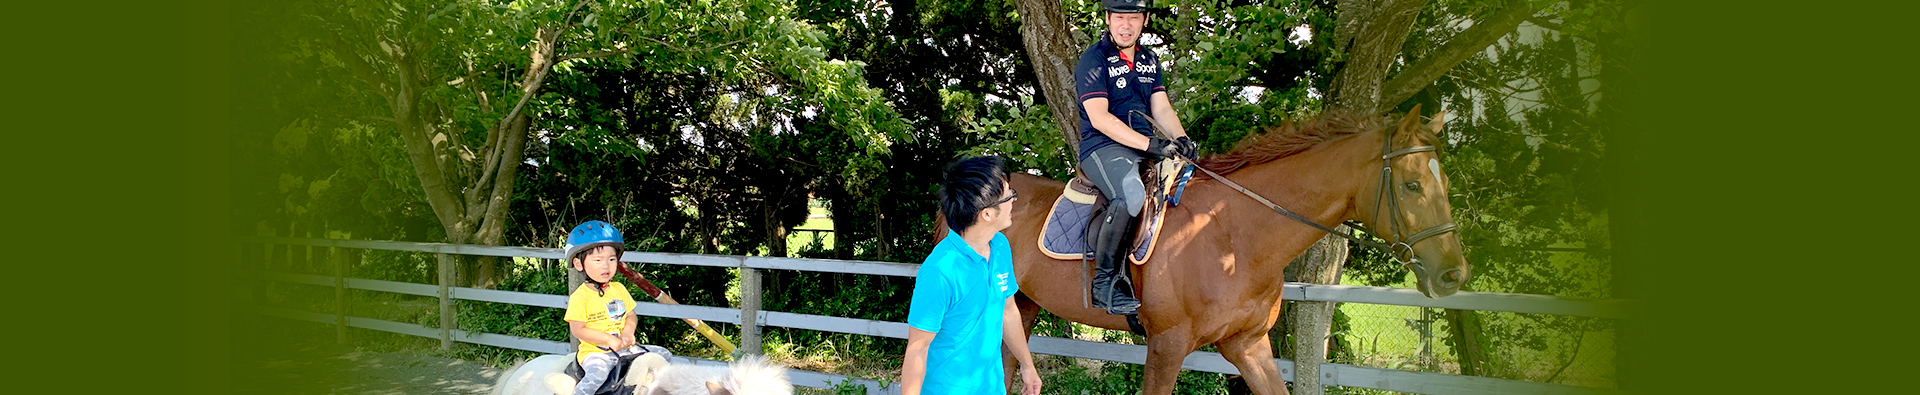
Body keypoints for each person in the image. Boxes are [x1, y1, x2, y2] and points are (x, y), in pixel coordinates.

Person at [1074, 0, 1196, 315]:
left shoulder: (1149, 60)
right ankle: (1105, 284)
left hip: (1142, 145)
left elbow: (1162, 108)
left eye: (1133, 18)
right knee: (1130, 194)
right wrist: (1149, 145)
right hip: (1102, 147)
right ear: (1107, 19)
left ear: (1144, 20)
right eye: (1119, 18)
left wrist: (1180, 139)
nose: (1125, 25)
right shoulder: (1094, 60)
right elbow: (1099, 117)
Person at [902, 156, 1042, 395]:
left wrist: (1027, 366)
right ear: (987, 214)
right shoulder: (940, 271)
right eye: (1009, 196)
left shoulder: (999, 246)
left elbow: (1008, 311)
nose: (1014, 200)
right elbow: (917, 348)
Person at [561, 220, 669, 395]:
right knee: (597, 375)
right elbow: (578, 330)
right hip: (596, 352)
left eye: (611, 259)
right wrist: (607, 339)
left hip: (624, 347)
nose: (606, 265)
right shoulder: (580, 297)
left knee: (663, 355)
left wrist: (628, 332)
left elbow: (631, 315)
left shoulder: (619, 289)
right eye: (598, 260)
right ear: (579, 264)